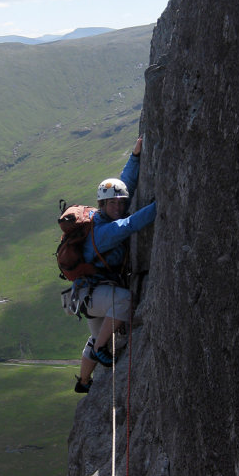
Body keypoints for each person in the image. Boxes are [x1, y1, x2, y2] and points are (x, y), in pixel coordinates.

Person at [73, 135, 156, 393]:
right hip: (96, 295)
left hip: (88, 295)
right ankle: (99, 351)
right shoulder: (103, 232)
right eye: (112, 203)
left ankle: (84, 382)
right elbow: (130, 225)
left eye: (120, 203)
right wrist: (162, 204)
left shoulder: (104, 216)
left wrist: (135, 156)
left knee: (97, 336)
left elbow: (124, 185)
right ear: (102, 205)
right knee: (124, 301)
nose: (119, 207)